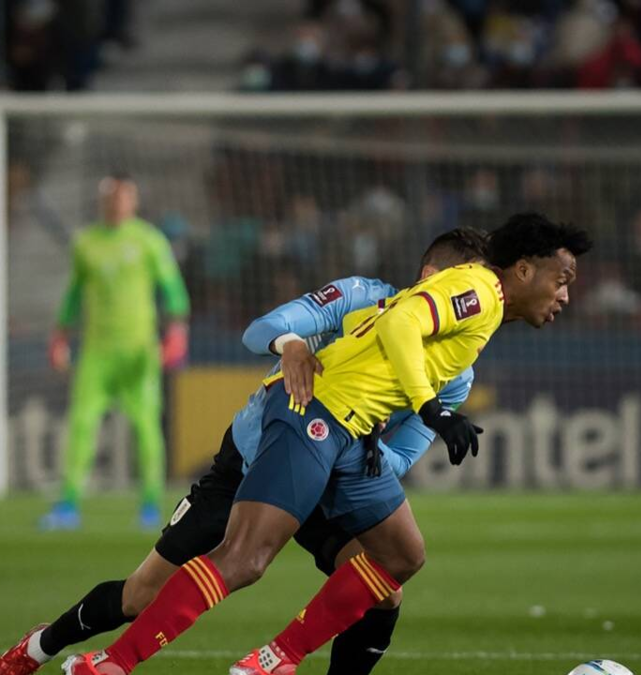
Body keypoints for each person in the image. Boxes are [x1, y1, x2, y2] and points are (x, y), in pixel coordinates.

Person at [63, 213, 592, 675]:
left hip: (349, 434)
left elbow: (391, 337)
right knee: (244, 558)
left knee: (402, 556)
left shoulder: (478, 314)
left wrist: (417, 419)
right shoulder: (479, 291)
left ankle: (274, 659)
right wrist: (429, 407)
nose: (566, 295)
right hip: (314, 415)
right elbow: (402, 323)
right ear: (524, 270)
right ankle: (113, 663)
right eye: (562, 280)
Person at [0, 228, 489, 675]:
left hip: (331, 475)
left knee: (384, 587)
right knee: (141, 594)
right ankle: (38, 648)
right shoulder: (363, 297)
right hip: (254, 459)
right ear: (432, 278)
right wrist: (292, 344)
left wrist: (369, 441)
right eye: (468, 283)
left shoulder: (455, 373)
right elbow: (260, 329)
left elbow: (401, 459)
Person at [42, 173, 191, 531]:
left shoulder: (149, 240)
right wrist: (60, 335)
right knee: (82, 424)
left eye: (124, 196)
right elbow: (74, 293)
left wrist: (177, 331)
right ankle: (69, 504)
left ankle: (151, 505)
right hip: (96, 352)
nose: (117, 202)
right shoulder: (85, 242)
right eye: (111, 196)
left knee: (146, 427)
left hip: (139, 352)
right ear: (102, 199)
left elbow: (172, 288)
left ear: (133, 200)